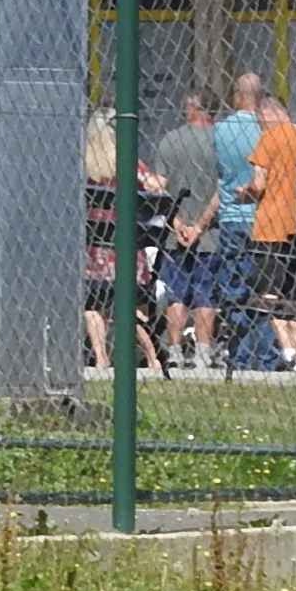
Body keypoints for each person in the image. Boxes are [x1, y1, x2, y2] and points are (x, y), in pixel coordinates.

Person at [80, 109, 168, 380]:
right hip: (129, 253)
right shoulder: (129, 163)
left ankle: (102, 358)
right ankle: (153, 358)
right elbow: (155, 188)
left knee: (92, 304)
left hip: (96, 254)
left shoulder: (85, 165)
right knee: (126, 305)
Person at [147, 91, 221, 369]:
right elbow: (220, 191)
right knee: (205, 294)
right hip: (210, 233)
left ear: (192, 109)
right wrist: (199, 226)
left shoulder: (170, 140)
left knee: (176, 293)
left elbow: (159, 187)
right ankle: (202, 355)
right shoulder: (219, 142)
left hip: (174, 232)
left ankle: (175, 351)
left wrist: (177, 223)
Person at [245, 91, 296, 379]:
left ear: (267, 114)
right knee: (294, 293)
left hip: (270, 223)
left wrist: (244, 192)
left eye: (260, 121)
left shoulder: (268, 139)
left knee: (268, 291)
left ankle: (286, 350)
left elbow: (259, 184)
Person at [210, 72, 265, 347]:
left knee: (233, 285)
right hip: (262, 215)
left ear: (238, 96)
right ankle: (262, 349)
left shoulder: (220, 130)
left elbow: (220, 174)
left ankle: (238, 348)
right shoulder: (265, 129)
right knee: (263, 287)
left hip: (231, 214)